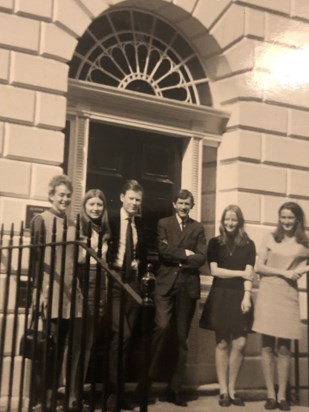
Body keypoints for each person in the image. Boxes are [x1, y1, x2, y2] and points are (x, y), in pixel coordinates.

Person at [30, 175, 86, 411]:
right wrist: (36, 291)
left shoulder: (74, 224)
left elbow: (78, 258)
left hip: (70, 295)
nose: (64, 199)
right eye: (60, 194)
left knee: (64, 347)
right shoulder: (40, 220)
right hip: (49, 292)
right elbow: (34, 259)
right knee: (48, 350)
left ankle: (57, 400)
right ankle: (42, 401)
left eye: (67, 195)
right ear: (51, 195)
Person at [148, 189, 207, 407]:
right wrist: (186, 254)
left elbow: (201, 257)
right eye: (180, 203)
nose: (183, 207)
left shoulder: (198, 227)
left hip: (187, 287)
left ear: (192, 206)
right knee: (162, 328)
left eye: (187, 204)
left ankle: (175, 389)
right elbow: (163, 252)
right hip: (165, 285)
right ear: (174, 204)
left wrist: (181, 256)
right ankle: (147, 383)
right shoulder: (164, 223)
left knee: (182, 339)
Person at [252, 202, 309, 411]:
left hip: (288, 296)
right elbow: (259, 267)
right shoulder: (270, 237)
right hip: (268, 293)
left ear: (297, 220)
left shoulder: (304, 243)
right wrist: (284, 272)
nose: (286, 221)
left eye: (290, 218)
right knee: (267, 345)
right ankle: (270, 395)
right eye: (283, 217)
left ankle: (283, 396)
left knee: (284, 348)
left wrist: (304, 268)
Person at [199, 204, 255, 407]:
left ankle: (232, 389)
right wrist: (240, 274)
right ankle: (223, 390)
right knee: (222, 343)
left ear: (239, 222)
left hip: (240, 296)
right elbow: (215, 271)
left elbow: (250, 272)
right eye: (227, 220)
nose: (230, 223)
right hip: (221, 295)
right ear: (222, 222)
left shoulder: (249, 244)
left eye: (234, 220)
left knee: (240, 343)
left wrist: (247, 296)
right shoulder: (215, 243)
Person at [106, 179, 146, 411]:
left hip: (132, 283)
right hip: (113, 279)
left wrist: (138, 264)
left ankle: (120, 394)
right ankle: (112, 393)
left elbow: (141, 252)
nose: (134, 203)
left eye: (138, 200)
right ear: (122, 197)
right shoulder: (110, 218)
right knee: (121, 333)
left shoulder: (138, 224)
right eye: (130, 198)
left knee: (126, 339)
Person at [78, 189, 111, 384]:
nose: (96, 208)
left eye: (99, 204)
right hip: (84, 279)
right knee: (79, 337)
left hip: (100, 282)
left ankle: (79, 387)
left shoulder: (104, 231)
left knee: (90, 337)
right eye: (92, 204)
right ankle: (69, 388)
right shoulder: (77, 228)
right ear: (84, 206)